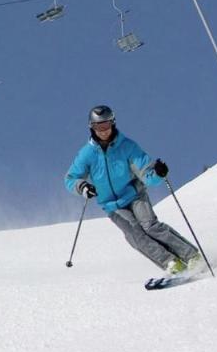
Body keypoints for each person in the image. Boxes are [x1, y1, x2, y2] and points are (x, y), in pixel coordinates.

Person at [64, 106, 200, 274]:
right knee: (135, 235)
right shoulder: (87, 154)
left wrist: (157, 173)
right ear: (92, 127)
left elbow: (146, 172)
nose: (103, 131)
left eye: (106, 125)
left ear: (113, 123)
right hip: (112, 206)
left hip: (135, 195)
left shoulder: (127, 146)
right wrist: (83, 187)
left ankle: (192, 256)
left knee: (150, 226)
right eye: (99, 127)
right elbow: (71, 179)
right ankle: (172, 263)